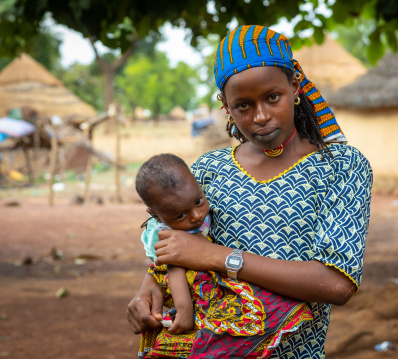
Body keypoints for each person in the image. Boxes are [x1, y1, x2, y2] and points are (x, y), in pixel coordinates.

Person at [127, 24, 373, 358]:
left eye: (273, 98)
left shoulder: (341, 166)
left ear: (295, 86)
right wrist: (148, 290)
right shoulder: (207, 170)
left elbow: (336, 284)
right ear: (225, 106)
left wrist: (217, 257)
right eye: (242, 105)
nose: (260, 116)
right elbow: (172, 242)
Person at [135, 153, 313, 358]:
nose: (196, 215)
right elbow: (173, 266)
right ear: (155, 215)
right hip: (186, 281)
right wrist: (184, 310)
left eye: (199, 201)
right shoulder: (166, 232)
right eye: (181, 215)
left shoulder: (188, 201)